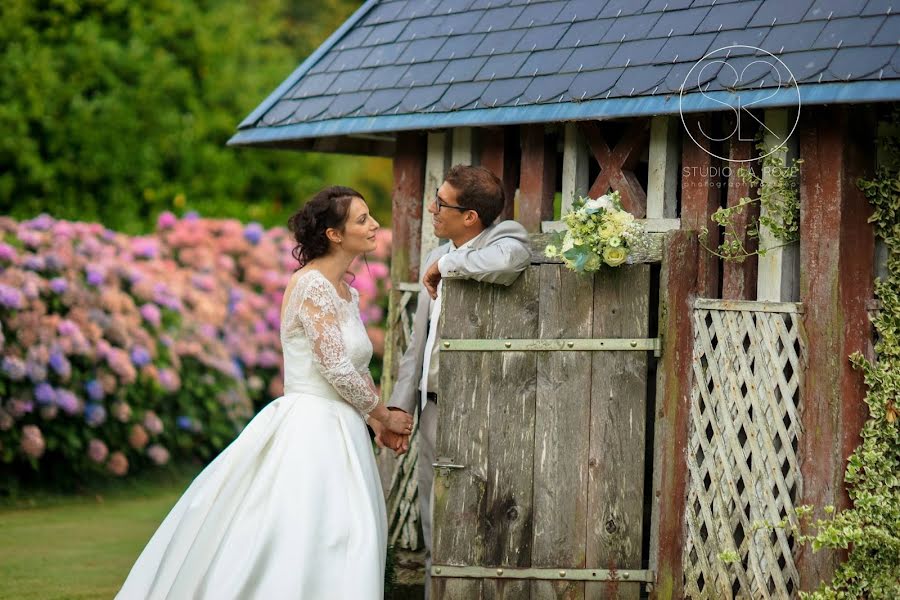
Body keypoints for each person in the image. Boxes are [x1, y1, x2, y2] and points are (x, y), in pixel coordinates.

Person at [116, 186, 413, 599]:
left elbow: (357, 369)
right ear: (334, 234)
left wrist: (371, 421)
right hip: (310, 428)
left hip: (345, 431)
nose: (374, 225)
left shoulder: (348, 293)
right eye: (362, 219)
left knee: (346, 535)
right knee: (301, 537)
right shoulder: (310, 286)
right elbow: (332, 366)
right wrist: (384, 414)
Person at [388, 165, 531, 597]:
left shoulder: (507, 239)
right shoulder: (436, 253)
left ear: (470, 216)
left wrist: (447, 265)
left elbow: (508, 262)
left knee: (488, 515)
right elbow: (420, 343)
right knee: (435, 515)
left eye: (441, 203)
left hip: (487, 410)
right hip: (433, 406)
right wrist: (400, 405)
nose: (432, 208)